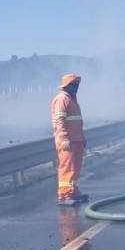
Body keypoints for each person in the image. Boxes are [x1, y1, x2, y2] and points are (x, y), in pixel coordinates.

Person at [51, 73, 87, 206]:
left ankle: (72, 191)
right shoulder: (62, 99)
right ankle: (64, 195)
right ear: (67, 86)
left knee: (75, 168)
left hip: (76, 139)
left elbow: (77, 122)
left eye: (77, 85)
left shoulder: (72, 99)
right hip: (67, 141)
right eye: (74, 85)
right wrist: (64, 138)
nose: (76, 87)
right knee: (67, 167)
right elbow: (59, 121)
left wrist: (82, 137)